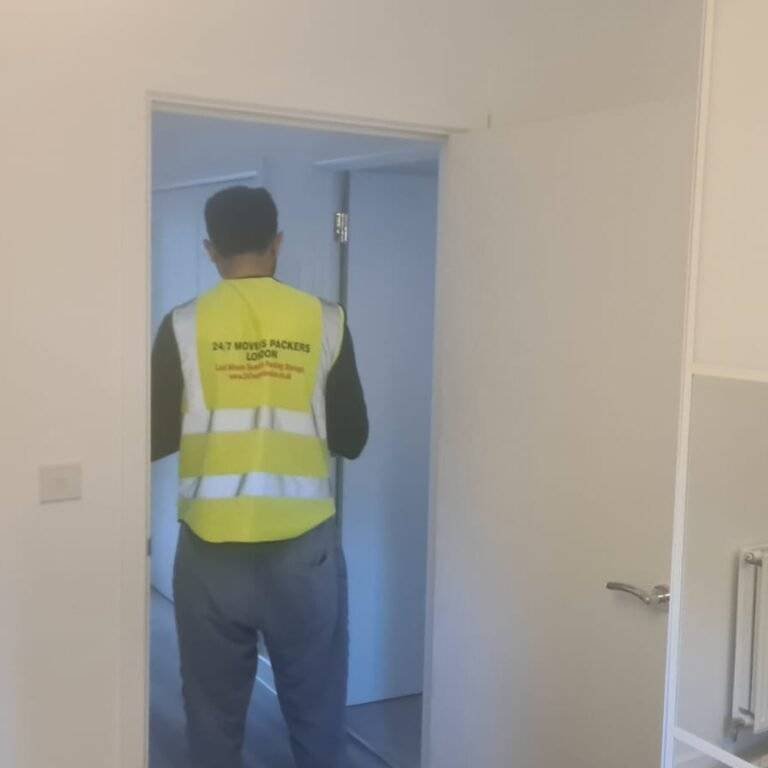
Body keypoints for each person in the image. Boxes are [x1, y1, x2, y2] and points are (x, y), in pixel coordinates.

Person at [151, 185, 369, 768]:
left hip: (210, 551)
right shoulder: (326, 320)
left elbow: (153, 438)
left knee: (213, 715)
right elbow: (354, 437)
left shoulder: (182, 326)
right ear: (277, 243)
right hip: (304, 551)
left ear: (210, 249)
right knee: (317, 710)